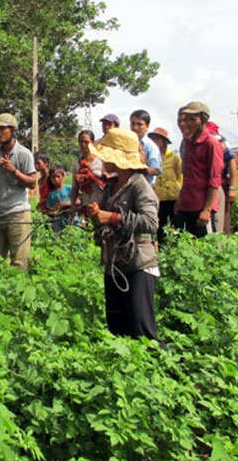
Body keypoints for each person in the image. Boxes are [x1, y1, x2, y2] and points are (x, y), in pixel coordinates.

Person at [85, 128, 163, 345]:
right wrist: (97, 216)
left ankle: (165, 372)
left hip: (138, 264)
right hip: (115, 263)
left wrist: (112, 217)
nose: (101, 159)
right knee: (117, 327)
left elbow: (151, 223)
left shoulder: (140, 185)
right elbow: (105, 221)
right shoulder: (111, 186)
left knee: (142, 329)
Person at [0, 113, 38, 272]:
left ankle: (17, 296)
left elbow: (33, 183)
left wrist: (14, 171)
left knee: (18, 263)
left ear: (12, 130)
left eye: (1, 129)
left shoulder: (24, 154)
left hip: (18, 214)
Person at [175, 101, 223, 238]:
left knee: (206, 247)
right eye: (186, 119)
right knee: (183, 244)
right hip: (187, 204)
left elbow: (215, 179)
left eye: (193, 119)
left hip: (202, 206)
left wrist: (207, 209)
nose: (188, 123)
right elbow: (187, 176)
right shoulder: (189, 142)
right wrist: (181, 200)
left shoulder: (211, 144)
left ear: (203, 120)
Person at [148, 127, 181, 243]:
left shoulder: (174, 157)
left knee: (174, 225)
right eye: (152, 139)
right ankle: (161, 248)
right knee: (159, 225)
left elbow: (180, 176)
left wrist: (180, 196)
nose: (154, 142)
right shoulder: (151, 157)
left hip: (172, 196)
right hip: (157, 197)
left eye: (156, 139)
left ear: (163, 142)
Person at [206, 121, 238, 234]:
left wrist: (232, 188)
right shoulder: (189, 140)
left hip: (218, 184)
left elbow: (231, 162)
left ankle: (222, 246)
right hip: (202, 187)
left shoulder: (217, 139)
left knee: (219, 218)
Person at [70, 129, 105, 221]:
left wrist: (92, 176)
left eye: (86, 142)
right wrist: (73, 206)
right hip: (86, 203)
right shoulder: (77, 164)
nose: (83, 144)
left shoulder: (101, 161)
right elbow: (75, 188)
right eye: (81, 142)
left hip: (102, 202)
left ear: (93, 142)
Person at [129, 110, 162, 185]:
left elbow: (156, 169)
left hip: (143, 189)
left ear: (147, 127)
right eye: (132, 123)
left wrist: (137, 172)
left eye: (139, 124)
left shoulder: (151, 147)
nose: (135, 127)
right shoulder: (125, 143)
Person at [44, 167, 73, 233]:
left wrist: (64, 204)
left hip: (72, 220)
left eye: (58, 176)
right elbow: (50, 210)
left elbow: (78, 201)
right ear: (50, 179)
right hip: (59, 224)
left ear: (63, 176)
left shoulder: (69, 188)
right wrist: (53, 212)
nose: (56, 179)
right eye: (53, 177)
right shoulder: (51, 194)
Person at [34, 150, 52, 215]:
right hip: (44, 211)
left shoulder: (51, 177)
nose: (36, 166)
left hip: (52, 210)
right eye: (34, 163)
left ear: (45, 163)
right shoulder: (40, 180)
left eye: (38, 163)